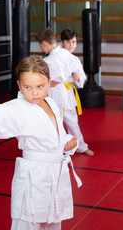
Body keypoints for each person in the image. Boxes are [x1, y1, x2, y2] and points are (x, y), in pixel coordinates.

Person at [0, 56, 82, 230]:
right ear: (19, 85)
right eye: (28, 87)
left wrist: (67, 143)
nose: (35, 93)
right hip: (34, 177)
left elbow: (58, 134)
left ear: (49, 82)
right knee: (27, 223)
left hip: (55, 174)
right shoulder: (19, 109)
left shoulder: (51, 103)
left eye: (40, 86)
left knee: (53, 222)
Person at [36, 27, 94, 156]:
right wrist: (78, 78)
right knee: (70, 122)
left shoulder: (46, 62)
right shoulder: (69, 57)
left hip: (58, 94)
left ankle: (73, 147)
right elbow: (81, 76)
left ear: (44, 44)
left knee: (57, 123)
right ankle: (77, 147)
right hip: (64, 94)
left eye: (41, 46)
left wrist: (77, 77)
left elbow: (37, 81)